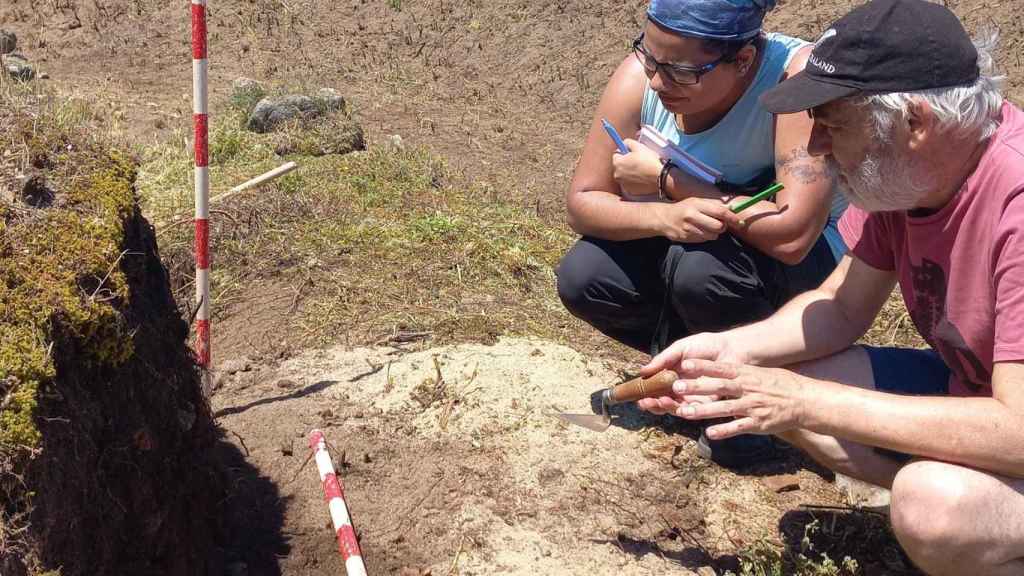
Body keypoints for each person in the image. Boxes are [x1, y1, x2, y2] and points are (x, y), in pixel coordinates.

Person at [638, 0, 1024, 573]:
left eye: (833, 123)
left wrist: (807, 402)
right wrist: (728, 354)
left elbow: (1018, 431)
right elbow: (839, 305)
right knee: (776, 386)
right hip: (977, 392)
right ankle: (966, 529)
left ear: (915, 122)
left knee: (933, 504)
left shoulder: (1014, 200)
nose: (816, 146)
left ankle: (959, 524)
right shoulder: (911, 171)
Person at [556, 0, 846, 465]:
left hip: (809, 266)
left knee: (702, 272)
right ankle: (693, 382)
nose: (656, 80)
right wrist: (664, 217)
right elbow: (583, 202)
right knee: (586, 275)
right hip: (700, 243)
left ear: (744, 60)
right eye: (651, 58)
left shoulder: (795, 83)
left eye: (680, 71)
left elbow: (793, 237)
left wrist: (669, 181)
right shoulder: (639, 79)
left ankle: (751, 414)